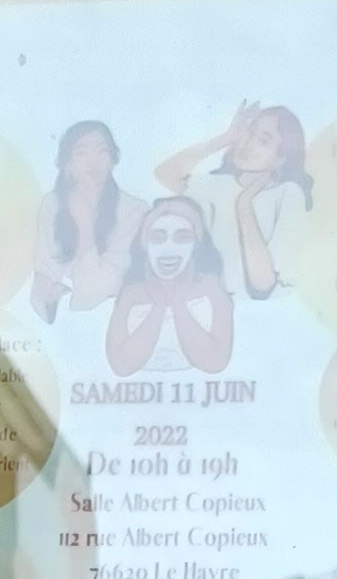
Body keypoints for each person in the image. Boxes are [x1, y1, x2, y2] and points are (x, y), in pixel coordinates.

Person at [154, 101, 313, 302]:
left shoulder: (288, 194)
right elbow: (165, 173)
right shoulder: (217, 185)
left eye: (263, 141)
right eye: (249, 133)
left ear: (280, 158)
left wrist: (244, 204)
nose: (248, 144)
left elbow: (262, 284)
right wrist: (226, 138)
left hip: (263, 313)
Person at [105, 195, 236, 377]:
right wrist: (158, 306)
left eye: (182, 238)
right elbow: (121, 366)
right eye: (158, 238)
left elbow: (215, 362)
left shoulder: (211, 288)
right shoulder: (130, 293)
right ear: (145, 245)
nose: (169, 248)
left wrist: (178, 304)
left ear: (195, 244)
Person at [30, 119, 144, 318]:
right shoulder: (51, 204)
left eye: (102, 151)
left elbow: (103, 288)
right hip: (63, 323)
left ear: (113, 159)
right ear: (67, 163)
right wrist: (45, 287)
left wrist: (84, 225)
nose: (93, 161)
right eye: (81, 152)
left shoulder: (135, 210)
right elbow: (45, 272)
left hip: (115, 316)